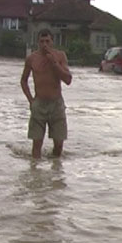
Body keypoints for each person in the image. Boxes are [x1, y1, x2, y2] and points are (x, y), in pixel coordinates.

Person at [20, 28, 72, 159]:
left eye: (47, 41)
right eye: (42, 41)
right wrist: (31, 100)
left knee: (59, 145)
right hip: (39, 103)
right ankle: (35, 174)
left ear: (52, 42)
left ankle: (55, 174)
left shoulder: (60, 56)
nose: (44, 44)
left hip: (56, 104)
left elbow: (68, 79)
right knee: (37, 144)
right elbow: (23, 81)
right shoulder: (32, 58)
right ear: (37, 42)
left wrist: (54, 63)